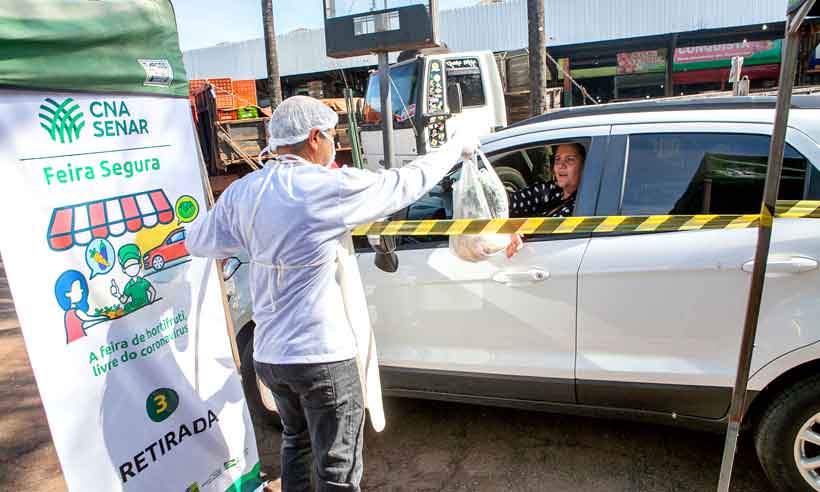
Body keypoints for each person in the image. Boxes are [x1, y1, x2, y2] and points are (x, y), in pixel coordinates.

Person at [185, 95, 493, 492]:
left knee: (296, 442)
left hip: (271, 358)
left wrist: (257, 240)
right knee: (337, 470)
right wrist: (454, 146)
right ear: (314, 137)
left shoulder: (245, 191)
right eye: (331, 135)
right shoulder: (325, 188)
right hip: (321, 358)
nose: (334, 143)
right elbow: (404, 184)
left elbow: (199, 240)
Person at [508, 142, 586, 218]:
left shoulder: (582, 205)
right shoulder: (552, 190)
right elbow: (513, 200)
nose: (561, 165)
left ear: (584, 166)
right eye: (558, 159)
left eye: (569, 159)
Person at [54, 269, 105, 344]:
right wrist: (104, 317)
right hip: (80, 343)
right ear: (67, 294)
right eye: (77, 288)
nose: (81, 290)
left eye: (81, 287)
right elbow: (89, 319)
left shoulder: (69, 312)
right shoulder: (75, 311)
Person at [110, 244, 157, 313]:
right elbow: (124, 300)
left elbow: (152, 291)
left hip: (146, 308)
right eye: (128, 266)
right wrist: (117, 294)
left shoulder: (143, 282)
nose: (132, 267)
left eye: (134, 264)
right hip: (133, 309)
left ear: (140, 265)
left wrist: (151, 304)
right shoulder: (129, 286)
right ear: (124, 270)